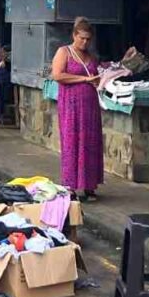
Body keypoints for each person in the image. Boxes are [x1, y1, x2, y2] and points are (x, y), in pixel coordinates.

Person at [51, 17, 103, 201]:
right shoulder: (64, 52)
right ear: (74, 35)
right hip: (71, 105)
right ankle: (70, 186)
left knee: (90, 143)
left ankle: (89, 186)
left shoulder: (91, 56)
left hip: (90, 105)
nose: (85, 42)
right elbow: (57, 75)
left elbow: (95, 77)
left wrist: (98, 81)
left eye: (88, 39)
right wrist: (84, 79)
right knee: (72, 142)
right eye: (82, 38)